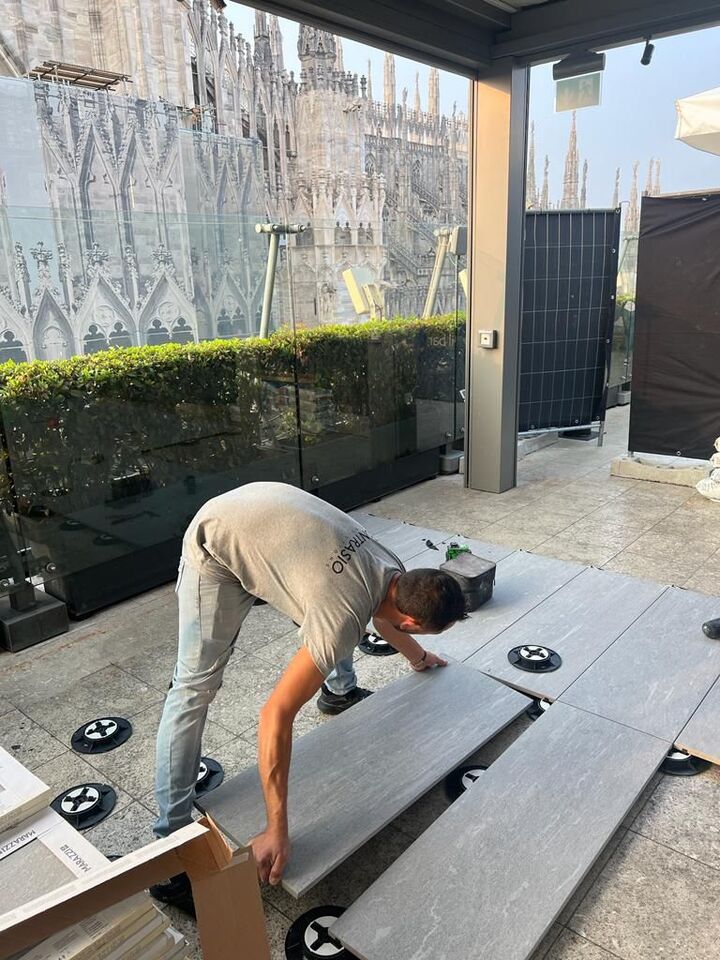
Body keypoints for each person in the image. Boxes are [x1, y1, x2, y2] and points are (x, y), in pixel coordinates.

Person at [150, 482, 467, 912]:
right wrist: (276, 828)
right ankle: (171, 847)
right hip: (218, 541)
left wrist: (418, 657)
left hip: (267, 517)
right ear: (412, 618)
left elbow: (382, 615)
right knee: (193, 688)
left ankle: (338, 692)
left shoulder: (391, 570)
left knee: (335, 622)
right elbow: (275, 714)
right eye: (420, 633)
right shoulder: (342, 613)